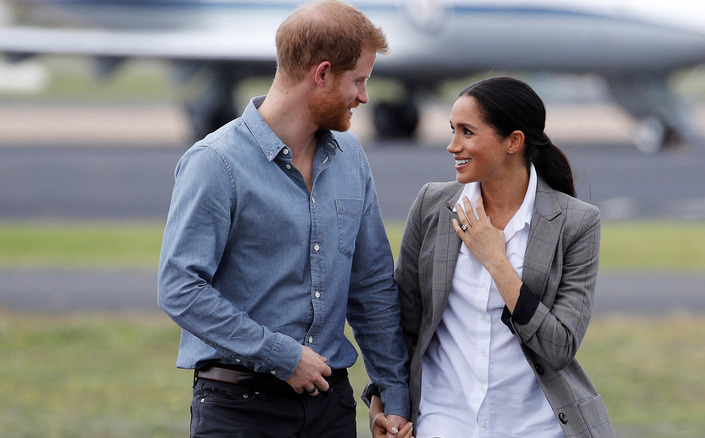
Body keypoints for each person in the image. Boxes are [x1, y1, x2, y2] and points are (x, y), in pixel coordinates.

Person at [157, 1, 412, 437]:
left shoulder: (351, 158)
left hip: (332, 407)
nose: (364, 97)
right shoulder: (215, 163)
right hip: (239, 411)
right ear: (323, 73)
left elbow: (371, 288)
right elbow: (180, 288)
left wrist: (393, 394)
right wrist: (282, 355)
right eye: (359, 81)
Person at [366, 77, 614, 437]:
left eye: (467, 132)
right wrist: (385, 403)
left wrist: (496, 261)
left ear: (514, 141)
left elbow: (560, 347)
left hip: (535, 428)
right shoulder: (432, 206)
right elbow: (404, 323)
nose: (452, 146)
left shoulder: (576, 222)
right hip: (443, 422)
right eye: (453, 130)